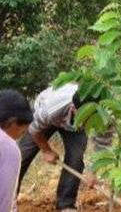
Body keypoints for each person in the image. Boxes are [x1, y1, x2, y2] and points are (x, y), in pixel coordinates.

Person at [17, 83, 105, 212]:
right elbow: (34, 129)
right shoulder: (51, 107)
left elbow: (102, 144)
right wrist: (46, 150)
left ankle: (66, 204)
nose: (88, 121)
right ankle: (5, 201)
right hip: (45, 120)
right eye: (85, 117)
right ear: (74, 108)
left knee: (75, 159)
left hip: (73, 127)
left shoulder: (103, 116)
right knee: (21, 157)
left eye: (91, 118)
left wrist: (93, 171)